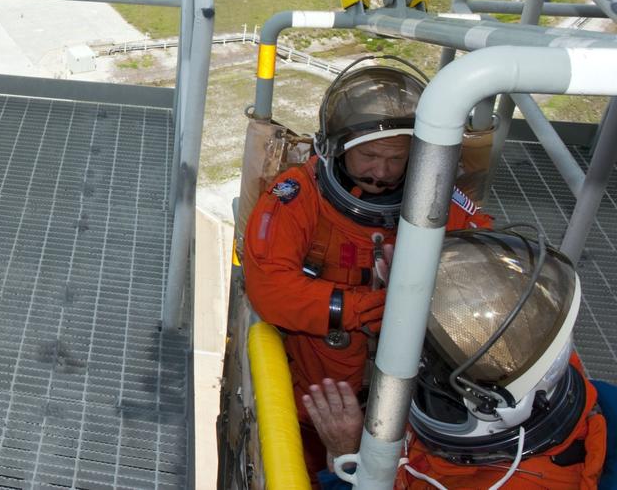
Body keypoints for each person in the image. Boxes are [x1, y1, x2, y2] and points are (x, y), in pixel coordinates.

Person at [243, 56, 492, 478]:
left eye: (396, 159)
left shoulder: (439, 203)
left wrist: (426, 295)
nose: (382, 171)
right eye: (370, 156)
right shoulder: (297, 198)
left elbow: (486, 269)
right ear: (336, 148)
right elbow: (269, 286)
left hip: (412, 412)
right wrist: (357, 309)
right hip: (314, 403)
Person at [305, 229, 607, 489]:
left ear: (493, 410)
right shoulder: (529, 357)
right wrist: (415, 296)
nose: (420, 366)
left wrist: (346, 459)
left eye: (432, 369)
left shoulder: (509, 481)